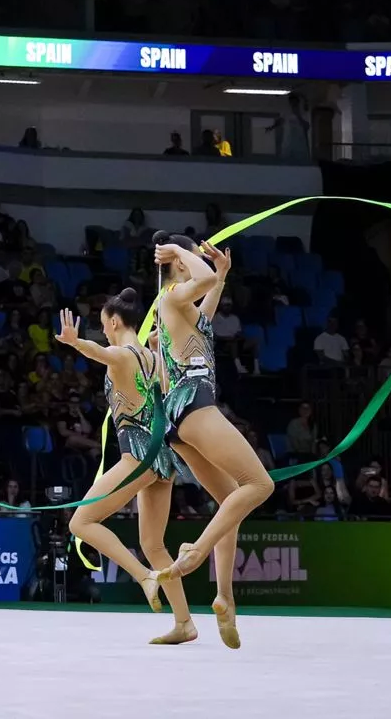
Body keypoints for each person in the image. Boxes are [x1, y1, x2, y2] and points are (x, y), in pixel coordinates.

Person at [147, 233, 274, 647]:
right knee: (260, 485)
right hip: (195, 404)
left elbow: (205, 307)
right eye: (189, 260)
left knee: (230, 503)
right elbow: (197, 281)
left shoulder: (180, 310)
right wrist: (185, 254)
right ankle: (196, 552)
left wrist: (220, 276)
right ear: (180, 265)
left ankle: (224, 598)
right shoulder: (171, 296)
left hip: (180, 418)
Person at [55, 294, 198, 645]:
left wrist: (77, 344)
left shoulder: (121, 355)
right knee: (153, 543)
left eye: (103, 323)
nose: (103, 330)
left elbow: (101, 353)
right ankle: (184, 623)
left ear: (115, 321)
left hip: (138, 456)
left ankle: (143, 577)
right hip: (161, 458)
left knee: (80, 522)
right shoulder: (153, 356)